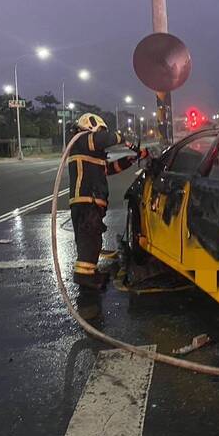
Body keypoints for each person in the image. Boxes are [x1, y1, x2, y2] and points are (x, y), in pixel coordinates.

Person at [67, 113, 148, 309]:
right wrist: (126, 140)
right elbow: (107, 139)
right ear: (92, 127)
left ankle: (90, 274)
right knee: (89, 239)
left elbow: (108, 169)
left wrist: (132, 158)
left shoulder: (90, 152)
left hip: (90, 202)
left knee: (91, 239)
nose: (103, 136)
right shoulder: (82, 140)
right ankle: (86, 280)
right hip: (88, 201)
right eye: (100, 131)